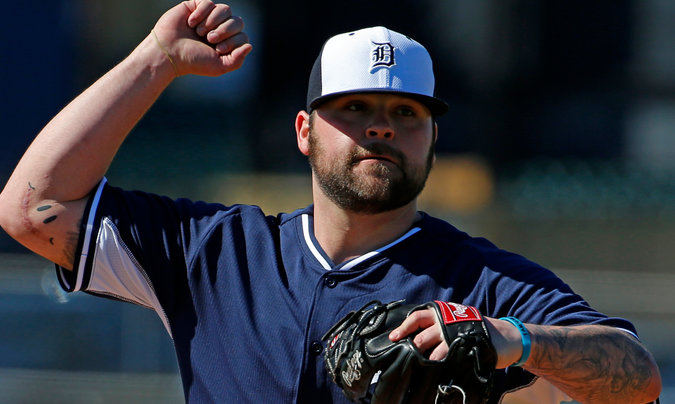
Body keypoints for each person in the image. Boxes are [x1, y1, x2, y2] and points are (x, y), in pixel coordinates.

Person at [0, 1, 662, 403]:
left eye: (405, 113)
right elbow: (34, 210)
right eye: (353, 109)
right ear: (304, 132)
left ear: (432, 140)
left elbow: (635, 379)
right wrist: (154, 61)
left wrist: (511, 340)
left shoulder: (483, 285)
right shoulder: (216, 253)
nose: (379, 126)